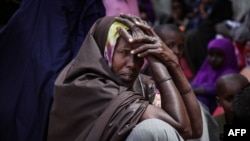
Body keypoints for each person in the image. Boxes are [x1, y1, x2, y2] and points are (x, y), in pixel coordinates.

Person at [47, 14, 202, 141]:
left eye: (140, 55)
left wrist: (174, 65)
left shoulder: (139, 83)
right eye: (124, 53)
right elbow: (181, 127)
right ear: (105, 51)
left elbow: (195, 131)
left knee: (200, 110)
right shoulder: (89, 85)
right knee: (154, 129)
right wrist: (157, 63)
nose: (133, 64)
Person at [150, 23, 219, 141]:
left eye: (181, 47)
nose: (177, 51)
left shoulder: (178, 73)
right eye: (170, 45)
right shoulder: (146, 79)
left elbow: (197, 130)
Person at [191, 38, 239, 114]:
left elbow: (215, 89)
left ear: (228, 56)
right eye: (211, 54)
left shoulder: (230, 73)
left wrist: (192, 89)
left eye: (219, 55)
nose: (214, 59)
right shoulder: (206, 68)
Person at [214, 73, 249, 141]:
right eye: (229, 99)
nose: (236, 103)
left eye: (241, 97)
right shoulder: (214, 125)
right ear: (219, 102)